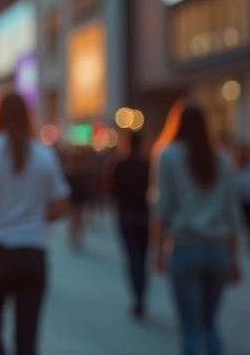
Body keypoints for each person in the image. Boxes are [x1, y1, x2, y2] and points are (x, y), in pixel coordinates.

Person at [0, 90, 72, 355]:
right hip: (32, 252)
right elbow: (61, 206)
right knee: (27, 337)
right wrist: (32, 217)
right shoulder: (44, 154)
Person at [152, 103, 242, 355]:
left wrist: (157, 251)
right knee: (210, 324)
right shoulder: (222, 158)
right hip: (217, 251)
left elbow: (162, 209)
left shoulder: (168, 155)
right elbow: (232, 213)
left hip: (184, 249)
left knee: (190, 328)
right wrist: (234, 258)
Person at [104, 130, 151, 318]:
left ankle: (137, 295)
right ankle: (141, 293)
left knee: (133, 258)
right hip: (145, 215)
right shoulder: (149, 165)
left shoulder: (118, 164)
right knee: (142, 257)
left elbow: (111, 191)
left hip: (126, 215)